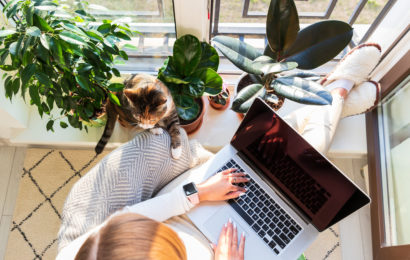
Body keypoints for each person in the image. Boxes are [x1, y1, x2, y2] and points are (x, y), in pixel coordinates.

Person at [57, 43, 381, 260]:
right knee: (296, 172)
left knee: (273, 159)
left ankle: (336, 93)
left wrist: (195, 194)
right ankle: (335, 95)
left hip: (181, 211)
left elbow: (127, 218)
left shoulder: (86, 253)